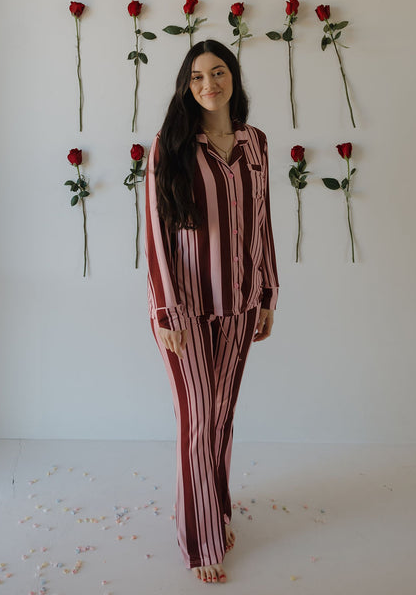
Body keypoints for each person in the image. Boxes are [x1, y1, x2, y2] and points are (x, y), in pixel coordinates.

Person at [144, 38, 279, 584]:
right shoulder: (171, 145)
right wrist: (164, 308)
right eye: (197, 76)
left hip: (242, 303)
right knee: (198, 419)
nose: (208, 84)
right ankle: (199, 540)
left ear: (233, 78)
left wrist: (268, 293)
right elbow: (154, 235)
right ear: (186, 84)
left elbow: (263, 222)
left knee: (220, 419)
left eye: (218, 72)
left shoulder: (257, 143)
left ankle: (216, 510)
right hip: (185, 308)